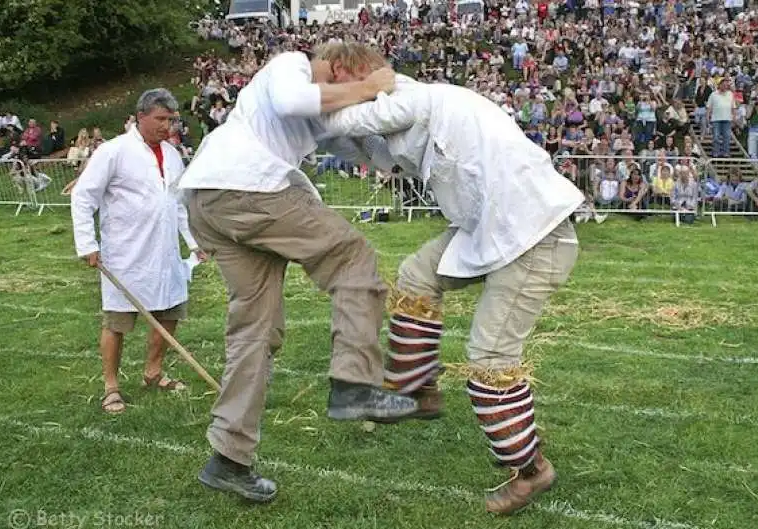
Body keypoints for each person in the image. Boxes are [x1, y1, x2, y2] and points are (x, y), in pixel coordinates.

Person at [317, 72, 585, 515]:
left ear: (358, 78)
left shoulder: (414, 98)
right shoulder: (405, 121)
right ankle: (421, 390)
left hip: (535, 238)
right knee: (415, 279)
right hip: (489, 231)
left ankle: (533, 471)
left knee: (490, 362)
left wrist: (304, 109)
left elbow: (354, 120)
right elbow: (368, 151)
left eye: (337, 81)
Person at [174, 43, 419, 504]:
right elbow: (292, 101)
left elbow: (373, 151)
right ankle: (355, 386)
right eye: (357, 85)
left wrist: (411, 124)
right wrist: (372, 86)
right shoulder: (291, 65)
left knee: (255, 331)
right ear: (342, 68)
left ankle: (228, 459)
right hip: (248, 189)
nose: (362, 97)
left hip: (214, 202)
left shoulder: (319, 110)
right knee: (353, 258)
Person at [70, 88, 207, 415]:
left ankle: (153, 372)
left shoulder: (173, 155)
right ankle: (111, 387)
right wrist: (88, 244)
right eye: (160, 119)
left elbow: (177, 205)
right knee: (118, 321)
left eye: (171, 119)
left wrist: (194, 242)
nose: (167, 126)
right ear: (141, 116)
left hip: (165, 253)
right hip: (126, 254)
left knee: (170, 311)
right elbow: (83, 197)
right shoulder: (113, 152)